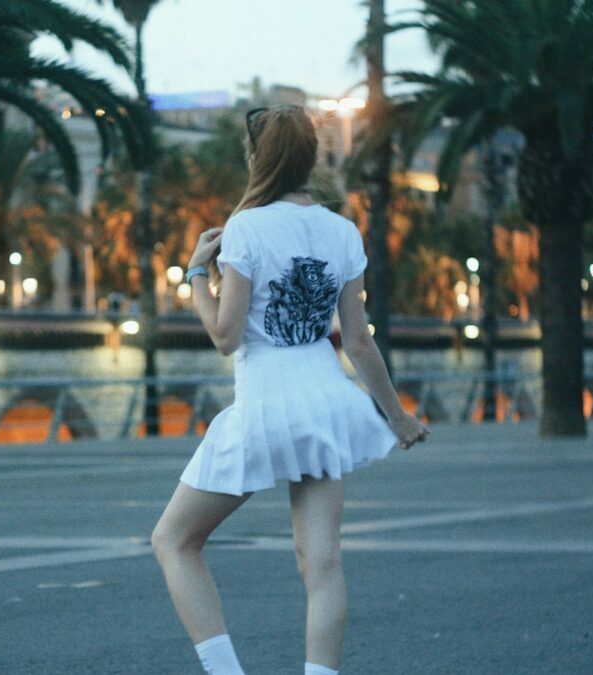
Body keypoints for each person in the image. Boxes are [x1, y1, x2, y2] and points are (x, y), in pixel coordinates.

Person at [150, 105, 429, 675]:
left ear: (258, 159)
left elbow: (226, 337)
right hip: (326, 402)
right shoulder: (343, 231)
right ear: (312, 159)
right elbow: (359, 342)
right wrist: (398, 419)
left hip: (266, 406)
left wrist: (195, 277)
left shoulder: (248, 227)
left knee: (174, 541)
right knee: (321, 564)